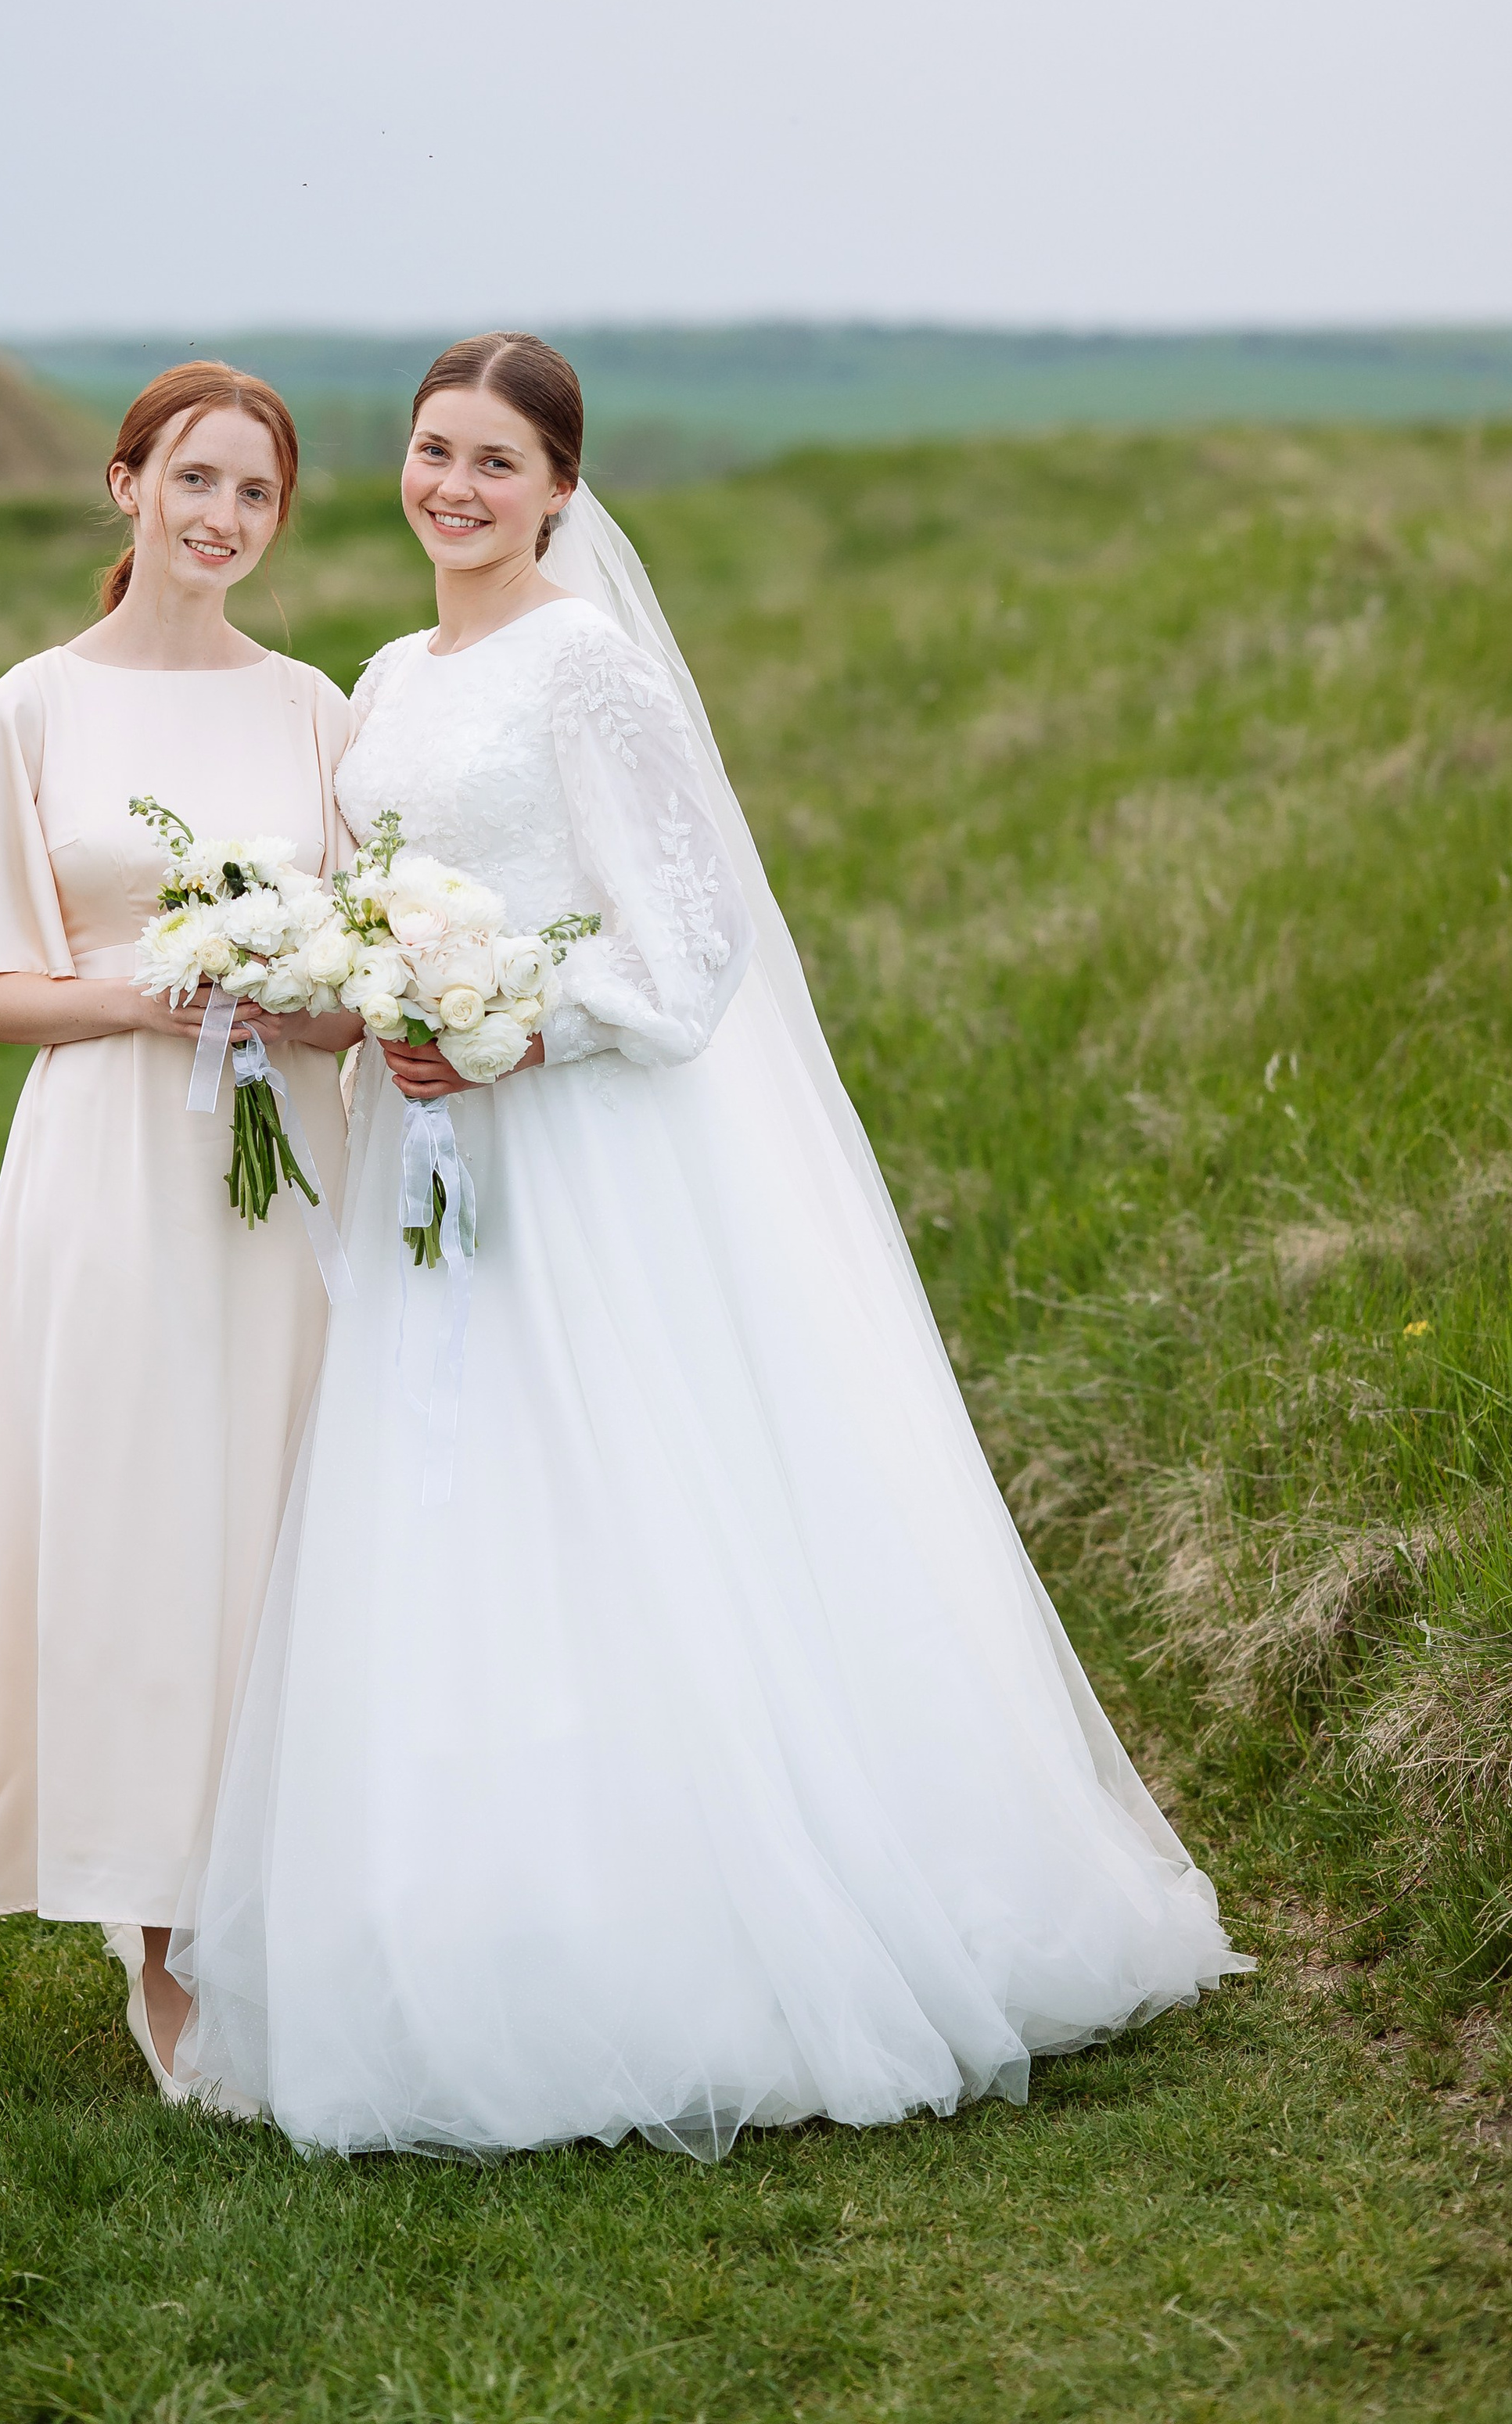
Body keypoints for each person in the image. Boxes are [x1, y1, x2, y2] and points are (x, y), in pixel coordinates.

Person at [186, 331, 1248, 2159]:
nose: (453, 486)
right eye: (434, 451)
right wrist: (351, 993)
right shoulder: (383, 673)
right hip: (428, 1155)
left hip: (589, 1151)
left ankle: (743, 1917)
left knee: (638, 1498)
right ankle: (479, 1917)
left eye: (496, 464)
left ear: (561, 492)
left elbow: (690, 944)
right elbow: (377, 900)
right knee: (455, 1504)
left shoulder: (585, 669)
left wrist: (512, 1020)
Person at [0, 360, 359, 2098]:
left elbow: (351, 964)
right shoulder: (27, 711)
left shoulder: (317, 708)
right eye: (192, 479)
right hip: (110, 1163)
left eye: (253, 492)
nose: (220, 518)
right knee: (132, 1516)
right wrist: (147, 999)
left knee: (270, 1513)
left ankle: (268, 1879)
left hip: (284, 1167)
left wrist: (309, 996)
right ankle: (154, 1927)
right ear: (124, 486)